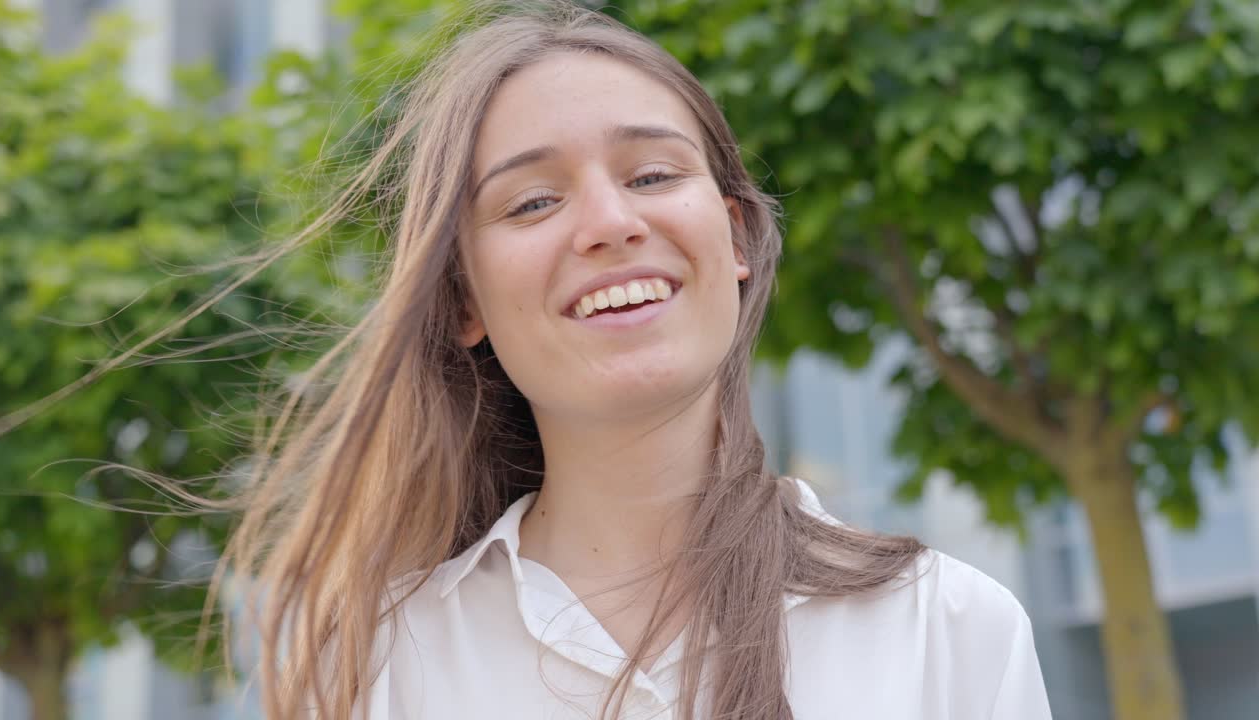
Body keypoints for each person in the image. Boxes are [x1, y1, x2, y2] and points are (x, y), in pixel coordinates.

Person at [216, 2, 1054, 719]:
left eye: (652, 175)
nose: (611, 223)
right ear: (465, 299)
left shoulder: (945, 628)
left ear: (734, 237)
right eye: (532, 201)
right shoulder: (379, 665)